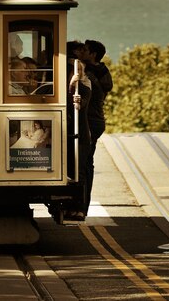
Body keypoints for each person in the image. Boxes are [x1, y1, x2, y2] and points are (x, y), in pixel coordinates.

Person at [76, 39, 113, 214]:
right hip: (96, 120)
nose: (81, 52)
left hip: (91, 120)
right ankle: (83, 204)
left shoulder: (89, 74)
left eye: (85, 50)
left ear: (93, 54)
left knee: (84, 163)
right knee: (87, 162)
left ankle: (82, 205)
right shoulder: (102, 72)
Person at [65, 41, 91, 221]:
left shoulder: (84, 86)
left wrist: (75, 87)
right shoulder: (72, 87)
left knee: (79, 171)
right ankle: (71, 206)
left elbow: (80, 106)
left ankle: (79, 207)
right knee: (71, 170)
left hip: (80, 133)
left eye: (78, 71)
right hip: (72, 132)